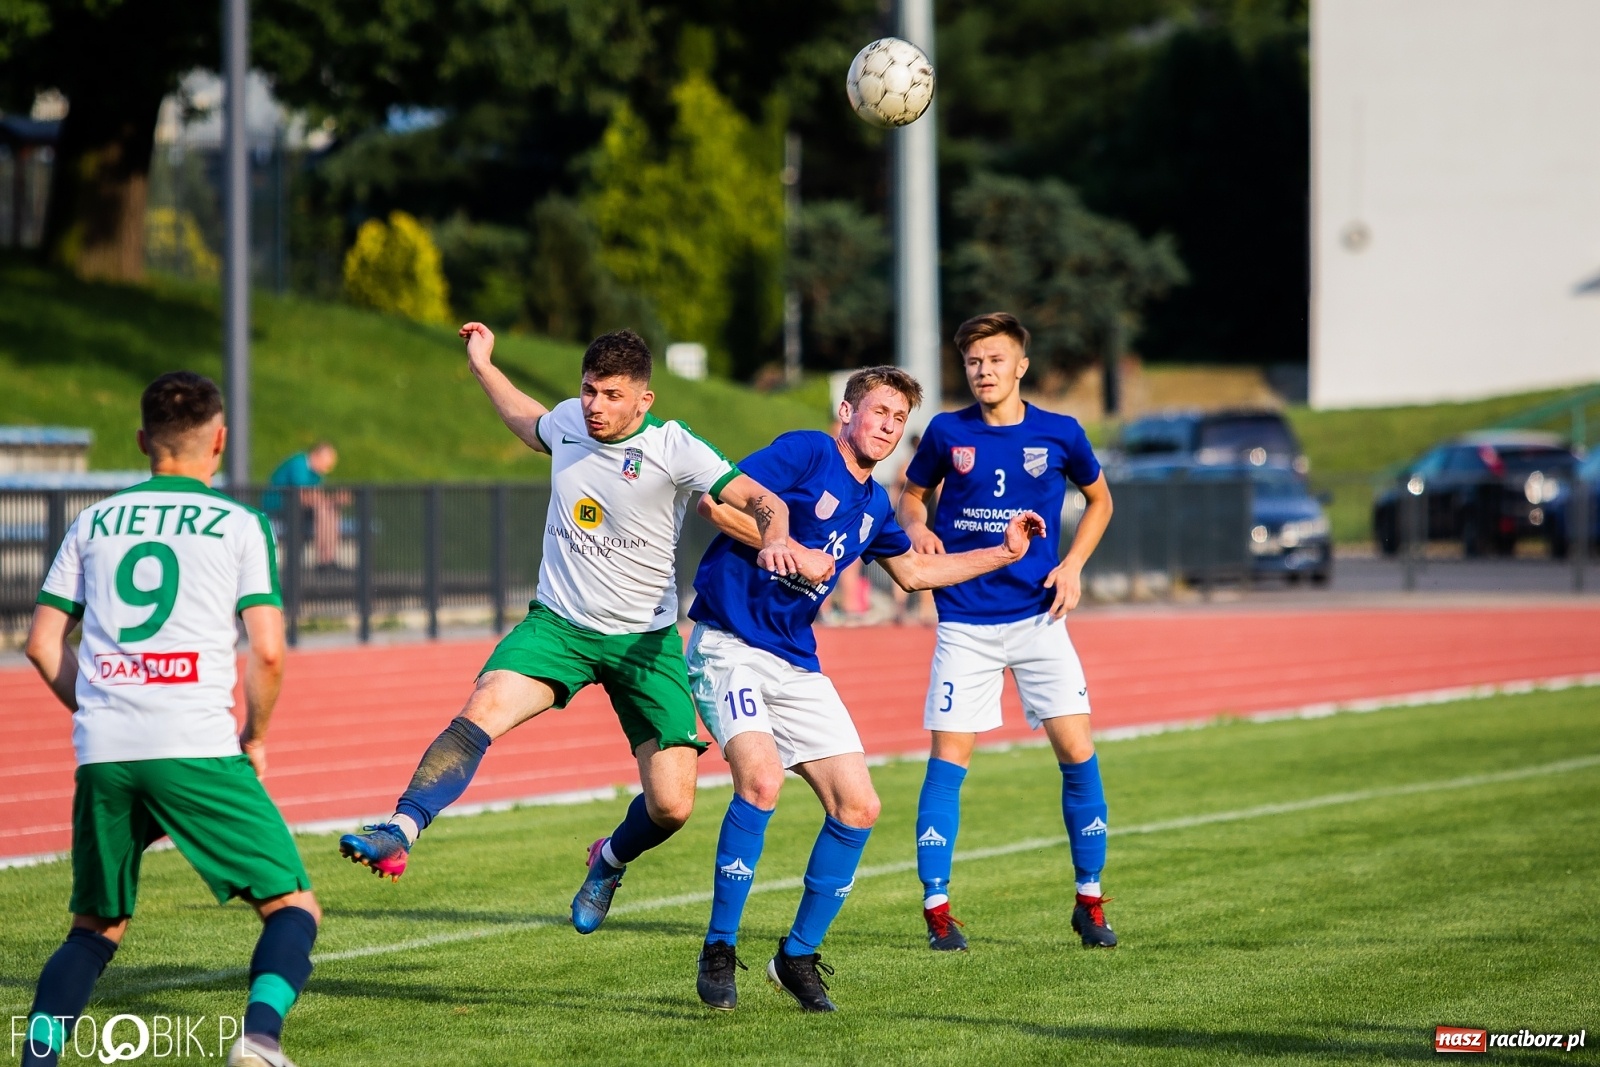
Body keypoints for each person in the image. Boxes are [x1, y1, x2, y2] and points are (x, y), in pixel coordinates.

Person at [338, 325, 801, 937]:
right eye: (588, 391)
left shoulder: (674, 447)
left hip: (646, 643)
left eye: (612, 395)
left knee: (672, 805)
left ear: (644, 400)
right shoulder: (568, 422)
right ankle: (398, 830)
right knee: (482, 708)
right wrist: (482, 365)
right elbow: (529, 418)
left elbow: (760, 497)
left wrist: (776, 539)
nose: (595, 406)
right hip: (559, 626)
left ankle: (607, 861)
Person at [685, 366, 1046, 1012]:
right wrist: (788, 545)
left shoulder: (876, 503)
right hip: (728, 642)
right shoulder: (806, 450)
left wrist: (1003, 553)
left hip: (795, 658)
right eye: (879, 412)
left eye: (899, 420)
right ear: (847, 410)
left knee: (859, 806)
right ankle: (718, 947)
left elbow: (912, 572)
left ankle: (795, 955)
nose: (888, 427)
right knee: (761, 781)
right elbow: (717, 503)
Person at [22, 371, 319, 1067]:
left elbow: (40, 643)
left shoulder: (92, 520)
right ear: (219, 440)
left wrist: (99, 703)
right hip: (195, 743)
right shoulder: (241, 524)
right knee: (292, 904)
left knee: (94, 928)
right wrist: (257, 736)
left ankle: (35, 1058)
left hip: (106, 748)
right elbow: (269, 651)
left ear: (141, 441)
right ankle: (260, 1037)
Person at [897, 312, 1116, 952]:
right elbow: (912, 496)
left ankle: (1090, 902)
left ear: (1021, 366)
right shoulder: (945, 431)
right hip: (963, 622)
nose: (983, 370)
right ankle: (938, 914)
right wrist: (916, 528)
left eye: (995, 359)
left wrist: (1073, 564)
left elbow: (1101, 500)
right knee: (947, 765)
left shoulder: (1061, 432)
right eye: (973, 361)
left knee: (1078, 756)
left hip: (1040, 619)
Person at [266, 442, 344, 568]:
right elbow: (303, 495)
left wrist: (332, 501)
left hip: (298, 510)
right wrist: (328, 500)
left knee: (329, 510)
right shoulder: (299, 464)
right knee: (323, 510)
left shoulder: (316, 474)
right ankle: (325, 561)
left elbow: (315, 496)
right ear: (317, 456)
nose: (327, 469)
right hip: (279, 508)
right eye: (327, 464)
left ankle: (328, 559)